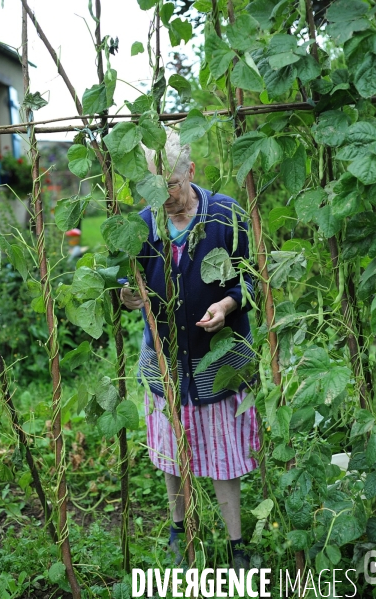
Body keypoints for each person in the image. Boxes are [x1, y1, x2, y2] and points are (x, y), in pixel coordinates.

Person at [120, 131, 259, 569]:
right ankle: (178, 530)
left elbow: (252, 277)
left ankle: (236, 545)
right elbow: (128, 281)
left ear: (191, 172)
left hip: (218, 361)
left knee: (225, 453)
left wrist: (227, 303)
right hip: (164, 359)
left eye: (172, 186)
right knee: (171, 450)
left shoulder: (225, 214)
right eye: (154, 188)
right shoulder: (142, 225)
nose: (165, 198)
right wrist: (126, 295)